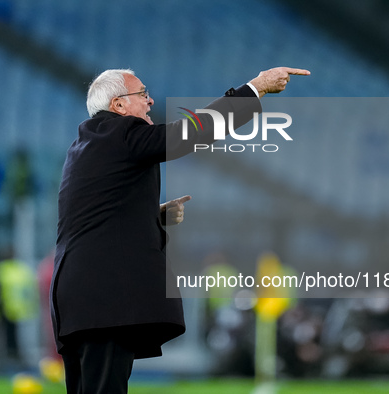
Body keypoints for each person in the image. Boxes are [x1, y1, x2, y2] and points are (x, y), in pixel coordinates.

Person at [52, 66, 310, 393]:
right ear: (118, 105)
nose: (150, 101)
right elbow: (190, 132)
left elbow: (93, 218)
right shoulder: (119, 134)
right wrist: (255, 88)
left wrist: (151, 216)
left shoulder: (88, 145)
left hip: (80, 299)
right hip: (105, 299)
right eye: (142, 94)